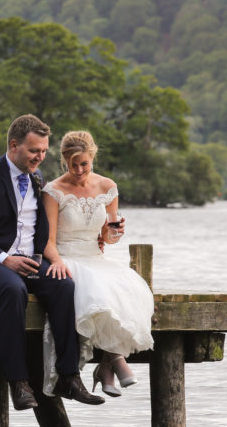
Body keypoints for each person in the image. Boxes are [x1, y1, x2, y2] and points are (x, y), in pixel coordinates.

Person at [0, 115, 104, 409]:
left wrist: (90, 240)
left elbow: (42, 229)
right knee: (13, 289)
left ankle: (68, 376)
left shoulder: (37, 179)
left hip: (25, 262)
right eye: (34, 151)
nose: (40, 157)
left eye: (43, 151)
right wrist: (5, 259)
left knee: (64, 285)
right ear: (14, 146)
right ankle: (18, 382)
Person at [39, 130, 154, 397]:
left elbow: (107, 237)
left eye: (84, 164)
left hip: (96, 257)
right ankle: (114, 362)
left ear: (93, 158)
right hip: (67, 257)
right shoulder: (53, 191)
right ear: (64, 161)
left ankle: (107, 364)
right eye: (73, 165)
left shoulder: (107, 187)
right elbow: (47, 240)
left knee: (131, 290)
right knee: (97, 292)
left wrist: (113, 233)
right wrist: (55, 260)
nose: (79, 170)